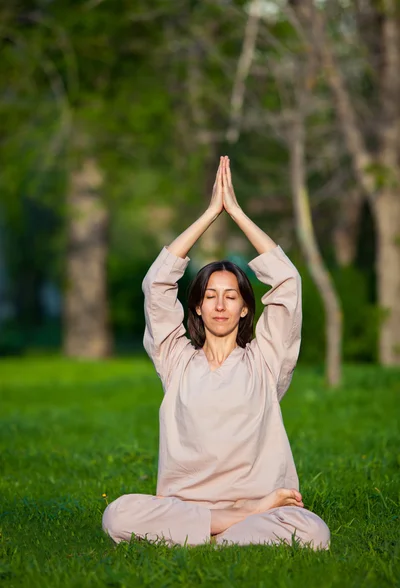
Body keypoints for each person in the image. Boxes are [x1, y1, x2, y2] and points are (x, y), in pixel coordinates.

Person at [102, 156, 330, 549]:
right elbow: (157, 283)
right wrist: (210, 213)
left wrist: (236, 212)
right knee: (116, 514)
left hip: (259, 502)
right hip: (190, 505)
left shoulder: (265, 360)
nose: (220, 305)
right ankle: (233, 527)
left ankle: (209, 534)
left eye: (231, 296)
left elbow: (288, 281)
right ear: (197, 307)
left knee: (313, 532)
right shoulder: (176, 360)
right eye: (210, 296)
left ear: (245, 308)